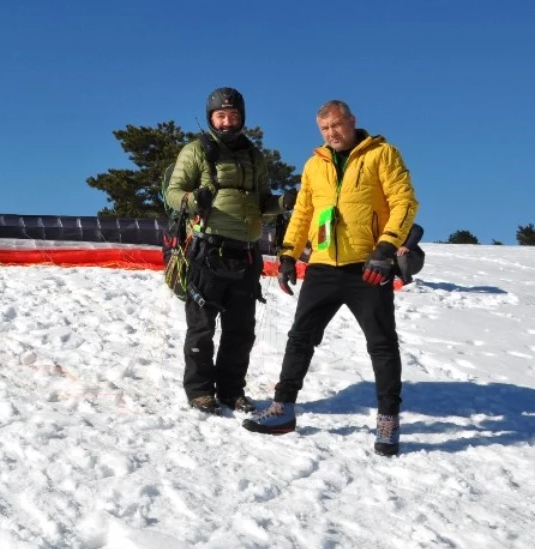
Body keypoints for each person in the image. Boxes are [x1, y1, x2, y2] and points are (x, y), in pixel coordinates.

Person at [244, 100, 418, 456]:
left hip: (368, 265)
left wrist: (386, 248)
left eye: (337, 125)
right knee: (300, 337)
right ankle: (283, 409)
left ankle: (388, 419)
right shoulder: (314, 165)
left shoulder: (382, 154)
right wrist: (289, 253)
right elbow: (304, 211)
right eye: (324, 128)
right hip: (323, 264)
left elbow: (404, 201)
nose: (331, 133)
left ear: (352, 121)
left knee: (381, 343)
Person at [165, 87, 285, 415]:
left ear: (242, 117)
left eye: (233, 115)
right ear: (211, 118)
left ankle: (233, 391)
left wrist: (284, 203)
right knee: (202, 327)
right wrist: (191, 200)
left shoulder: (254, 156)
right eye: (221, 116)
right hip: (207, 250)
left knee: (240, 330)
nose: (227, 121)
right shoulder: (196, 150)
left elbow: (263, 203)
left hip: (246, 253)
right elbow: (172, 193)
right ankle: (200, 391)